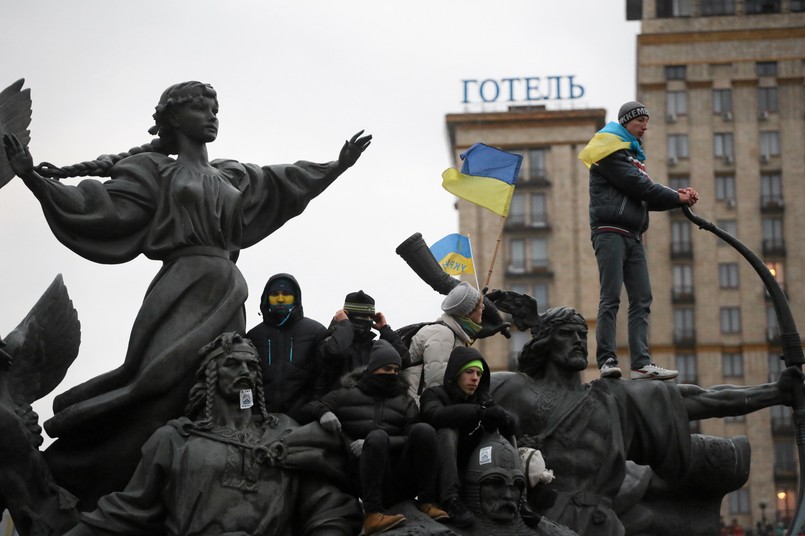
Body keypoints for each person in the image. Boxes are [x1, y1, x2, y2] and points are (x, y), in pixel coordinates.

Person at [2, 81, 371, 505]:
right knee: (154, 386)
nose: (212, 115)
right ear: (173, 118)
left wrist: (335, 166)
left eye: (215, 108)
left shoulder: (232, 174)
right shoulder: (154, 172)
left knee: (215, 389)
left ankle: (204, 483)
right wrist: (32, 178)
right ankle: (88, 477)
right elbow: (101, 209)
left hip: (228, 289)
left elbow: (282, 183)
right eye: (200, 108)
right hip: (181, 282)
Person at [487, 296, 803, 536]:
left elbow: (701, 399)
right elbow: (456, 391)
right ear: (545, 341)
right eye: (568, 334)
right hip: (542, 521)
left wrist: (775, 392)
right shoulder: (516, 389)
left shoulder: (614, 397)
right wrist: (468, 322)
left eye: (583, 334)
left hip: (602, 523)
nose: (579, 342)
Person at [62, 332, 362, 536]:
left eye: (251, 365)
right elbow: (126, 511)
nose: (245, 370)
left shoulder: (285, 432)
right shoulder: (176, 440)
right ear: (211, 374)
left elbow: (327, 508)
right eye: (233, 364)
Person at [579, 101, 698, 380]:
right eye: (641, 121)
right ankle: (607, 359)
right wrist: (676, 196)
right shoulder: (608, 150)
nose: (645, 126)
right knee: (610, 297)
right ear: (626, 122)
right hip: (609, 232)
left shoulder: (631, 155)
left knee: (642, 298)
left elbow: (643, 196)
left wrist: (677, 197)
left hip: (633, 236)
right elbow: (639, 186)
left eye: (647, 121)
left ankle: (641, 363)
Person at [306, 339, 447, 535]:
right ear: (373, 369)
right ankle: (372, 514)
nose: (392, 374)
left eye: (396, 370)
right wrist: (323, 412)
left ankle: (426, 501)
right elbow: (308, 407)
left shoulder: (405, 401)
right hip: (360, 477)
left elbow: (412, 434)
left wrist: (380, 442)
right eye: (387, 369)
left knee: (423, 430)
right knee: (378, 436)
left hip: (398, 474)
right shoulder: (344, 395)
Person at [420, 346, 517, 528]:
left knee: (503, 430)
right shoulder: (433, 394)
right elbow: (435, 415)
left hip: (473, 467)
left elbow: (511, 424)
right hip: (440, 471)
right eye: (469, 372)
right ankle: (451, 499)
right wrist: (480, 413)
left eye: (479, 374)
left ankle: (521, 496)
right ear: (456, 373)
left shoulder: (484, 399)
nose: (475, 378)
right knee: (448, 431)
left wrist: (504, 421)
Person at [245, 273, 326, 422]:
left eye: (286, 294)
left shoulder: (316, 332)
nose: (280, 299)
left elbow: (323, 377)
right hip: (261, 419)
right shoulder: (253, 336)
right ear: (266, 299)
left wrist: (316, 409)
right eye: (275, 294)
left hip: (304, 418)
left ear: (295, 298)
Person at [402, 281, 484, 402]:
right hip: (419, 409)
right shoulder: (442, 334)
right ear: (469, 311)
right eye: (480, 305)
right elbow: (436, 383)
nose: (483, 308)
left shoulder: (453, 333)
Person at [317, 290, 409, 396]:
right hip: (335, 406)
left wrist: (385, 329)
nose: (368, 321)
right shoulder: (330, 341)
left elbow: (404, 360)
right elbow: (334, 352)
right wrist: (344, 325)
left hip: (370, 407)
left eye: (371, 317)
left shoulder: (374, 348)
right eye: (363, 316)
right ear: (347, 316)